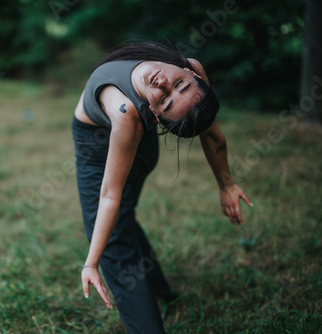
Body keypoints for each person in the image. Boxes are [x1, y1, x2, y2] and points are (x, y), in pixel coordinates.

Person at [71, 42, 252, 333]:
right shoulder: (192, 66)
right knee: (122, 219)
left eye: (165, 100)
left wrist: (91, 263)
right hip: (119, 141)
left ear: (157, 116)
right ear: (193, 75)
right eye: (178, 85)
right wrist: (226, 185)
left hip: (112, 147)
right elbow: (215, 137)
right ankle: (163, 290)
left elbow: (109, 194)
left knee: (114, 245)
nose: (164, 84)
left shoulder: (127, 110)